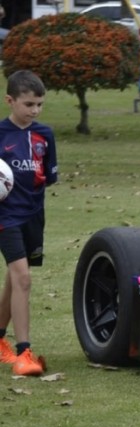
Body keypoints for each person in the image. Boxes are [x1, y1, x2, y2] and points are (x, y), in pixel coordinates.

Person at [0, 70, 58, 376]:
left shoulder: (45, 135)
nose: (34, 110)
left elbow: (48, 176)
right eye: (28, 104)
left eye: (39, 104)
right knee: (23, 279)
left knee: (15, 278)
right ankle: (24, 354)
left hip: (34, 215)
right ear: (10, 101)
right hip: (5, 218)